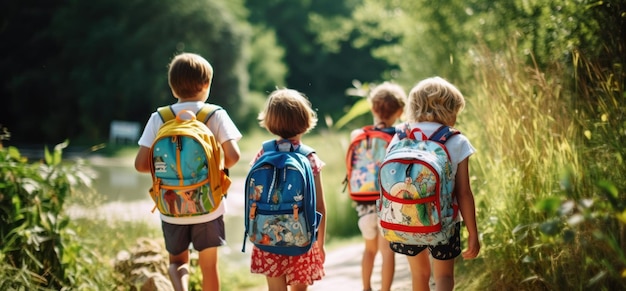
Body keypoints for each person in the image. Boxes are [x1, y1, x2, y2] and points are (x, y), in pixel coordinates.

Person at [134, 52, 242, 291]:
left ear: (173, 88)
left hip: (171, 207)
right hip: (209, 204)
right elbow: (233, 156)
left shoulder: (159, 117)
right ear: (206, 85)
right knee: (209, 266)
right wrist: (215, 170)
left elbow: (140, 165)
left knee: (177, 262)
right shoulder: (214, 114)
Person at [388, 77, 480, 291]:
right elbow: (464, 192)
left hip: (407, 219)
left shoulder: (400, 136)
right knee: (444, 277)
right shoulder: (456, 141)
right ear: (449, 109)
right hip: (445, 222)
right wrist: (473, 232)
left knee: (419, 275)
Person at [249, 88, 326, 291]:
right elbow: (320, 207)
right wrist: (320, 244)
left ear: (270, 122)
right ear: (305, 120)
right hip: (302, 237)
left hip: (266, 236)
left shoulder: (262, 154)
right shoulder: (309, 157)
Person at [349, 82, 406, 291]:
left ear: (372, 108)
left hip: (363, 203)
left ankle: (366, 288)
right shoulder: (399, 136)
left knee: (369, 250)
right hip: (387, 203)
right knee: (387, 252)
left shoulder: (357, 135)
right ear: (401, 111)